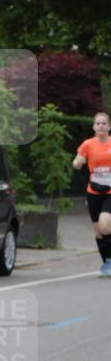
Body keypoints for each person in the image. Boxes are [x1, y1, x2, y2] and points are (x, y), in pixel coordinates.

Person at [72, 111, 111, 277]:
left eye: (104, 123)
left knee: (104, 224)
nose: (101, 126)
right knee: (98, 231)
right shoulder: (88, 144)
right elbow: (78, 159)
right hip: (94, 191)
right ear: (94, 126)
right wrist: (78, 162)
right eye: (98, 123)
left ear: (109, 126)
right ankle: (107, 263)